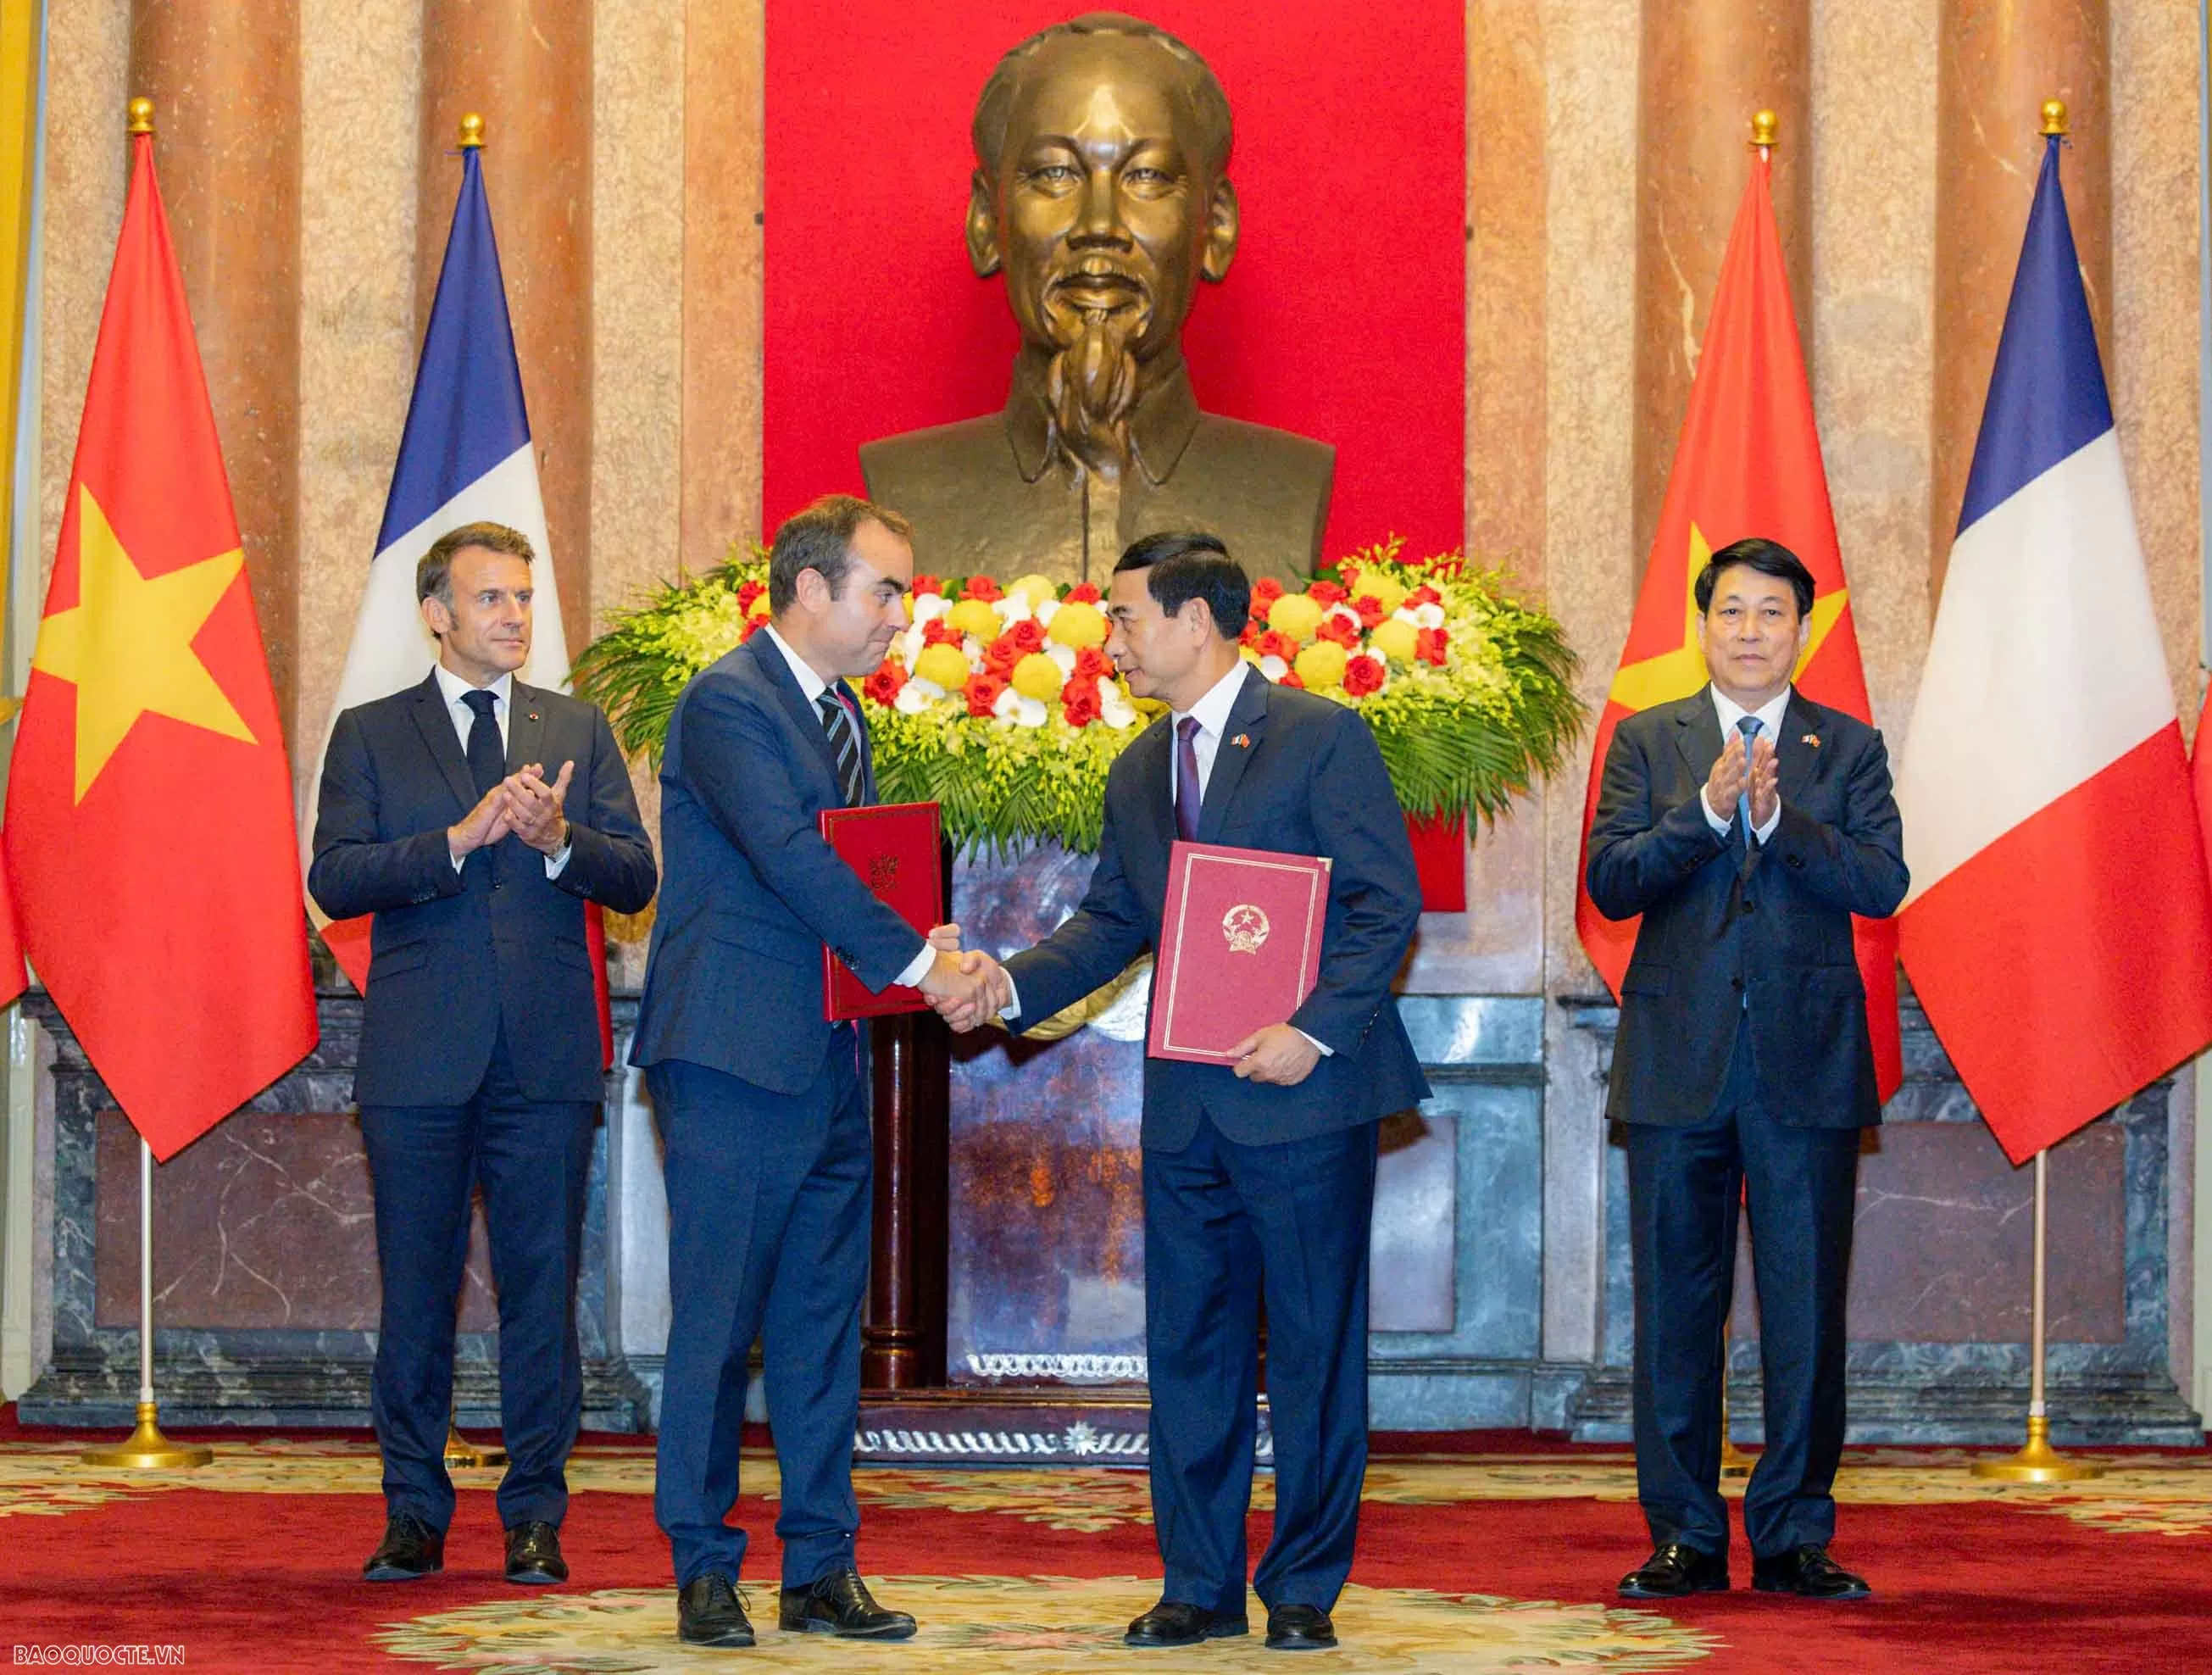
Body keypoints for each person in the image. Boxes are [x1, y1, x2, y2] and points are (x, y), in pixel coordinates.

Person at [942, 531, 1427, 1652]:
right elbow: (1114, 920)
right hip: (1186, 1107)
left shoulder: (1319, 736)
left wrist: (1313, 1031)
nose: (1108, 640)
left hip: (1304, 1097)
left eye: (1122, 616)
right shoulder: (1139, 767)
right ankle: (1198, 1584)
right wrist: (1006, 982)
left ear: (1194, 619)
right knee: (1190, 1351)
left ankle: (1300, 1587)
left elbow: (1381, 903)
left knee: (1311, 1350)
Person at [630, 493, 997, 1649]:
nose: (900, 615)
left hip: (831, 1055)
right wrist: (921, 966)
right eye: (884, 591)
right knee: (717, 1323)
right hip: (734, 1055)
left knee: (821, 1325)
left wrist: (922, 942)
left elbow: (854, 870)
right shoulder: (728, 702)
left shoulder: (841, 713)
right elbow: (791, 857)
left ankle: (821, 1566)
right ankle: (702, 1566)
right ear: (810, 587)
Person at [309, 520, 658, 1587]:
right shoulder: (371, 731)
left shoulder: (576, 725)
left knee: (541, 1295)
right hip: (419, 1058)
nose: (514, 615)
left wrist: (558, 841)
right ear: (437, 612)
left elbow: (636, 875)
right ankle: (413, 1511)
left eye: (523, 596)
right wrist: (459, 840)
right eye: (492, 597)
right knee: (415, 1296)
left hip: (544, 1057)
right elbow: (335, 876)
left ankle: (535, 1514)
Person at [1585, 536, 1907, 1603]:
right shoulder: (1648, 738)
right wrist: (1710, 813)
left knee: (1805, 1310)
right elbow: (1613, 880)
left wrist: (1778, 819)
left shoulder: (1847, 745)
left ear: (1802, 629)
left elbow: (1883, 881)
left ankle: (1793, 1533)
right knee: (1676, 1310)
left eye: (1773, 612)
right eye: (1732, 610)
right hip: (1677, 1064)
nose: (1752, 630)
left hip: (1805, 1065)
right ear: (1703, 624)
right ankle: (1683, 1532)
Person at [860, 13, 1331, 586]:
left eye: (1147, 176)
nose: (1100, 225)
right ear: (986, 222)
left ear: (1216, 226)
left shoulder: (1290, 483)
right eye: (1055, 173)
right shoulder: (906, 488)